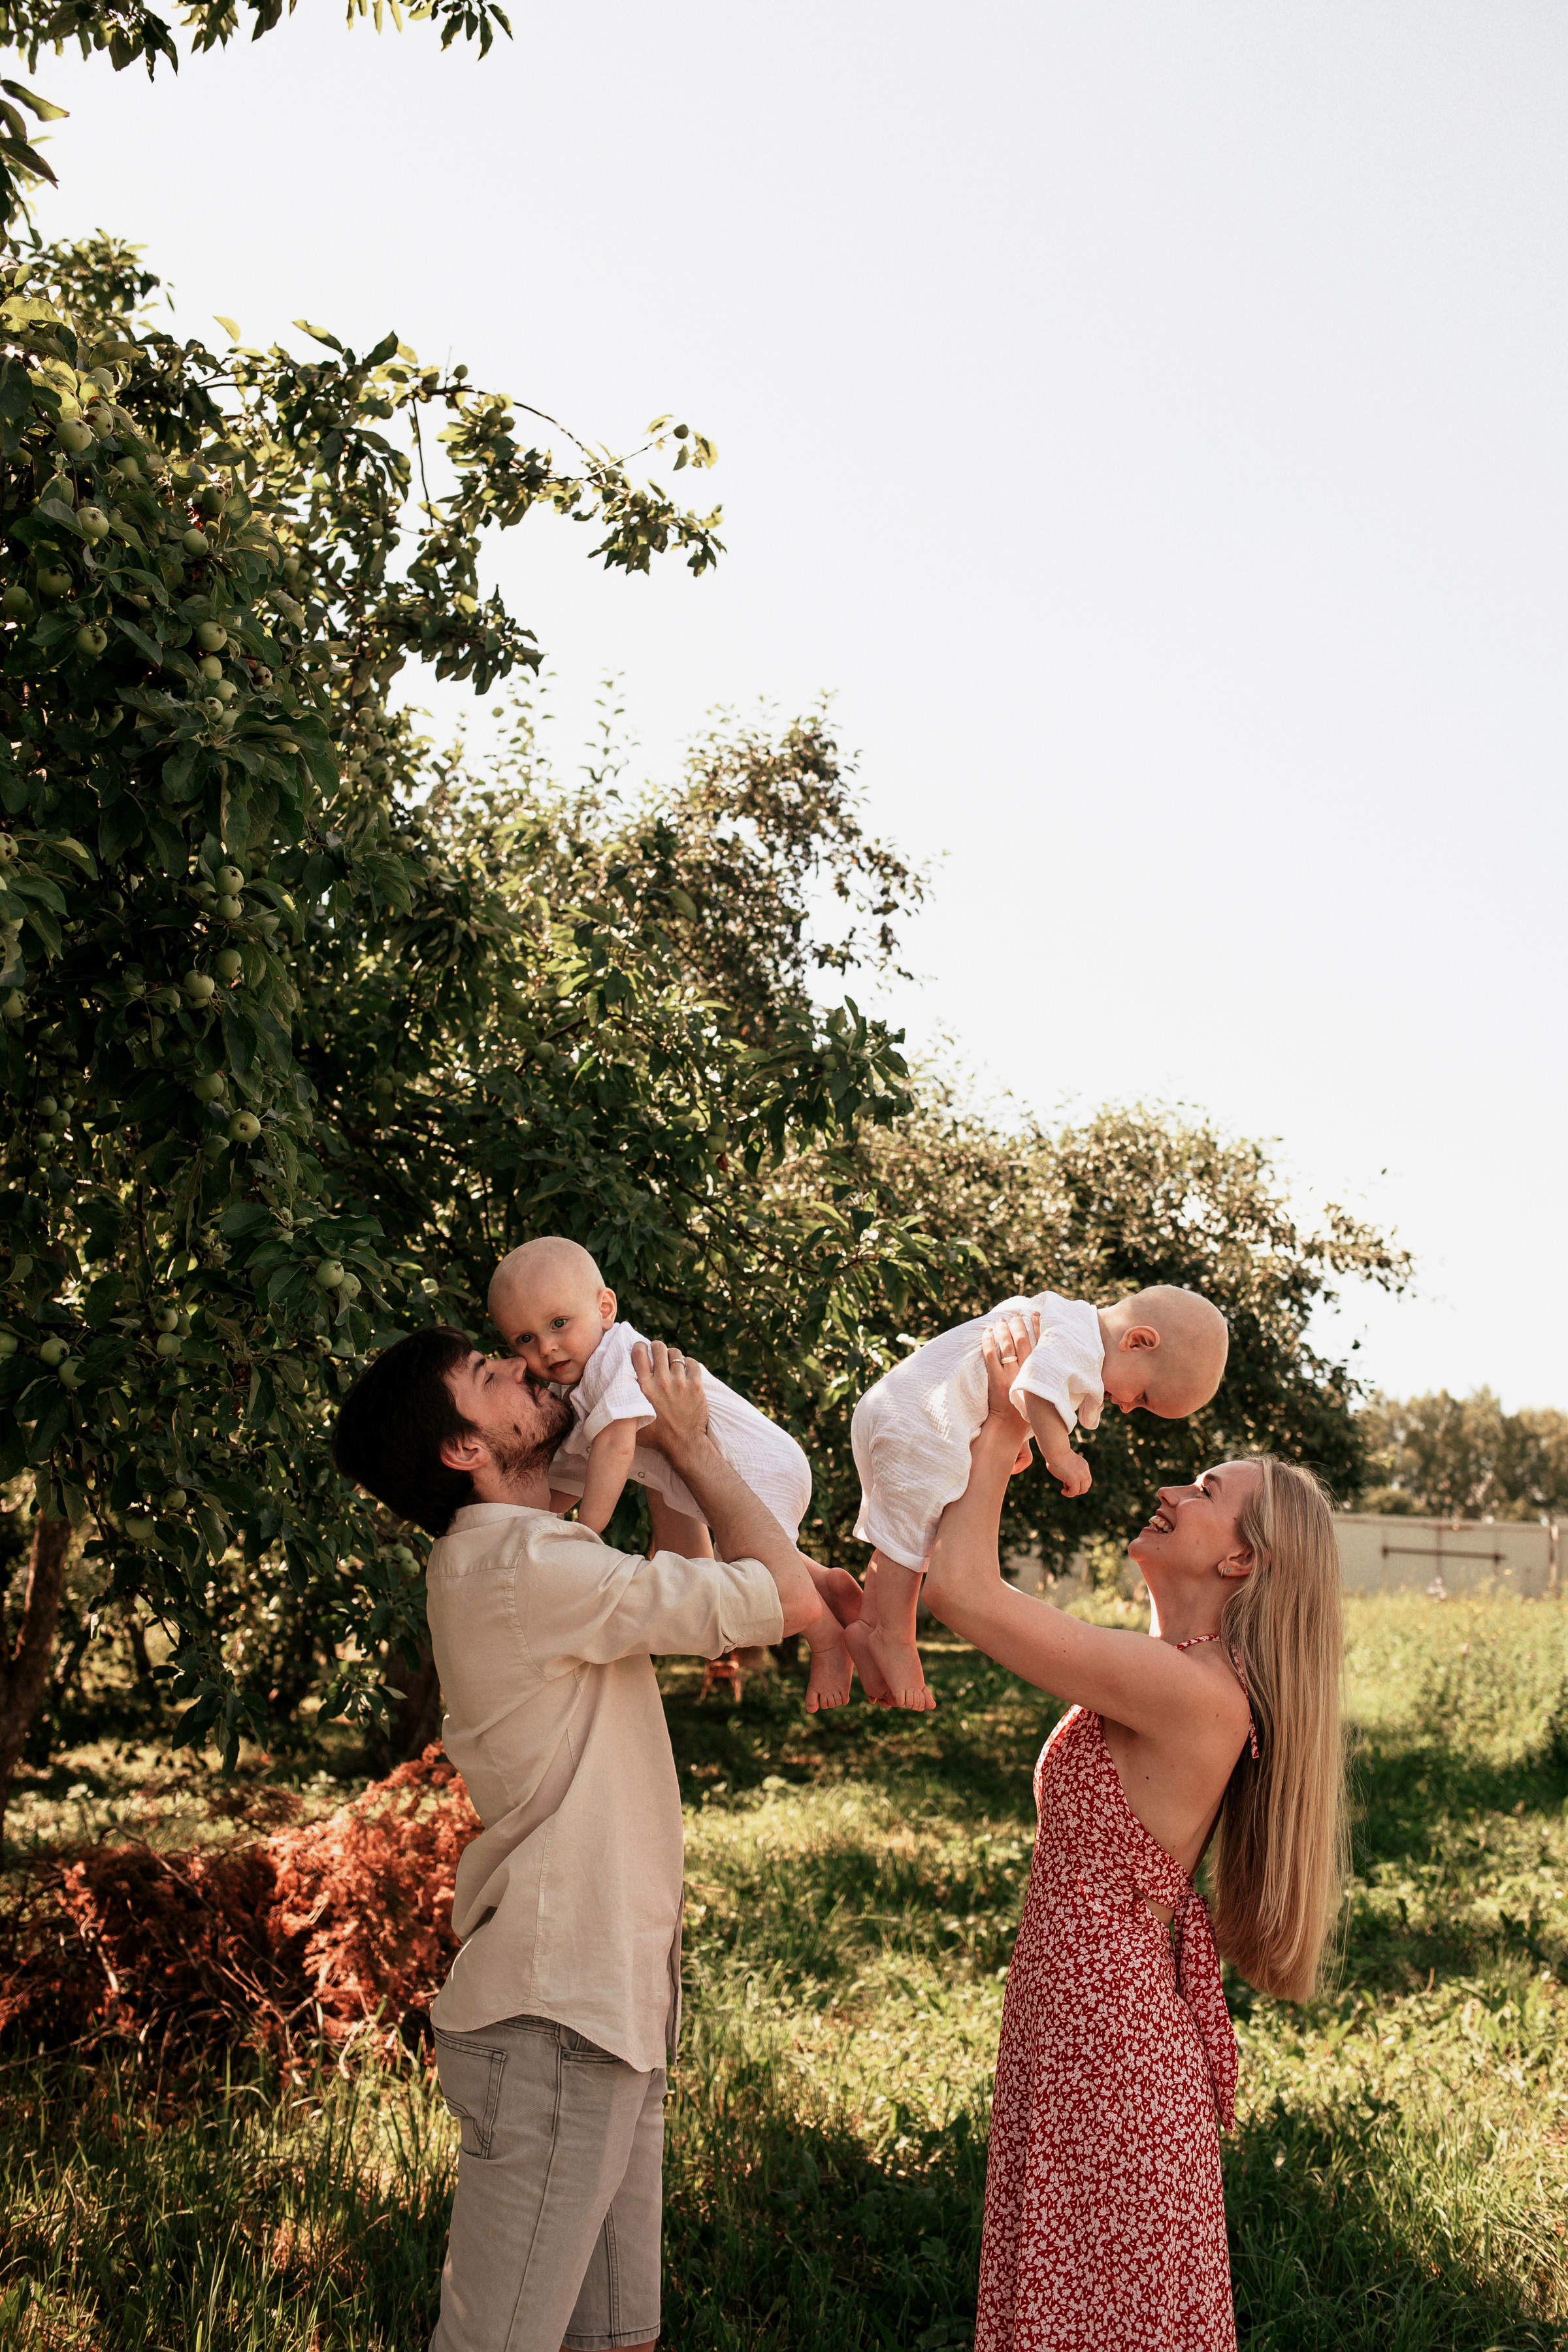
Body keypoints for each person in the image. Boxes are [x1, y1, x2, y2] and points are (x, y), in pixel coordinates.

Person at [330, 1325, 858, 2352]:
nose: (526, 1367)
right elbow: (785, 1599)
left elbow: (688, 1587)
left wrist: (663, 1466)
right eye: (490, 1375)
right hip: (557, 2018)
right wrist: (694, 1441)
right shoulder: (525, 1566)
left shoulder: (525, 1562)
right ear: (464, 1449)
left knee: (618, 2336)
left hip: (604, 2010)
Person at [922, 1313, 1347, 2352]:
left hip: (1108, 2055)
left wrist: (1001, 1423)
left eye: (1205, 1491)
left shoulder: (1190, 1690)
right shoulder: (1184, 1674)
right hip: (1088, 2036)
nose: (1170, 1489)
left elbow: (962, 1594)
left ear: (1243, 1559)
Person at [489, 1234, 854, 1710]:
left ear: (604, 1308)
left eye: (559, 1323)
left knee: (759, 1575)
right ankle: (827, 1584)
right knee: (749, 1565)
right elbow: (570, 1477)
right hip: (738, 1469)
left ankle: (827, 1644)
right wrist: (530, 1521)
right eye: (525, 1339)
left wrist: (586, 1532)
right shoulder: (573, 1390)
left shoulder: (616, 1358)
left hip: (755, 1463)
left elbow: (614, 1447)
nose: (548, 1347)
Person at [848, 1283, 1230, 1710]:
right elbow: (1036, 1386)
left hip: (900, 1407)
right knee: (912, 1537)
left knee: (901, 1534)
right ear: (1138, 1341)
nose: (1127, 1408)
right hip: (919, 1419)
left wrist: (1017, 1435)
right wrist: (1060, 1455)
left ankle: (868, 1625)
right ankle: (895, 1638)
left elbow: (1006, 1375)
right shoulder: (1081, 1344)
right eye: (1142, 1397)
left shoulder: (1063, 1318)